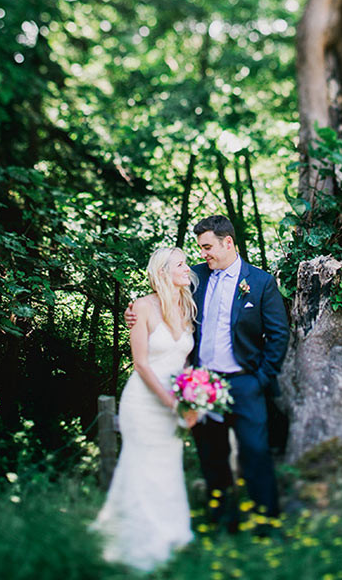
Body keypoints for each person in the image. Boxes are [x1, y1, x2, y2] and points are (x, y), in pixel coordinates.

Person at [127, 215, 290, 530]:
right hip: (201, 384)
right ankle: (222, 521)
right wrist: (132, 314)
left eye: (207, 247)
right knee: (211, 453)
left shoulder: (260, 282)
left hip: (244, 382)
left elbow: (278, 334)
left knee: (255, 451)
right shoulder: (195, 277)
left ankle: (266, 522)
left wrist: (260, 379)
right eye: (201, 248)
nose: (203, 254)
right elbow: (161, 303)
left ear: (228, 242)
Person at [91, 247, 198, 572]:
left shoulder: (186, 306)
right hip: (144, 402)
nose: (188, 268)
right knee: (142, 466)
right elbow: (140, 364)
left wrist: (191, 397)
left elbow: (185, 361)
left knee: (167, 466)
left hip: (175, 401)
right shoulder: (141, 307)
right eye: (181, 264)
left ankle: (170, 535)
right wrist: (171, 402)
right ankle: (138, 541)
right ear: (163, 272)